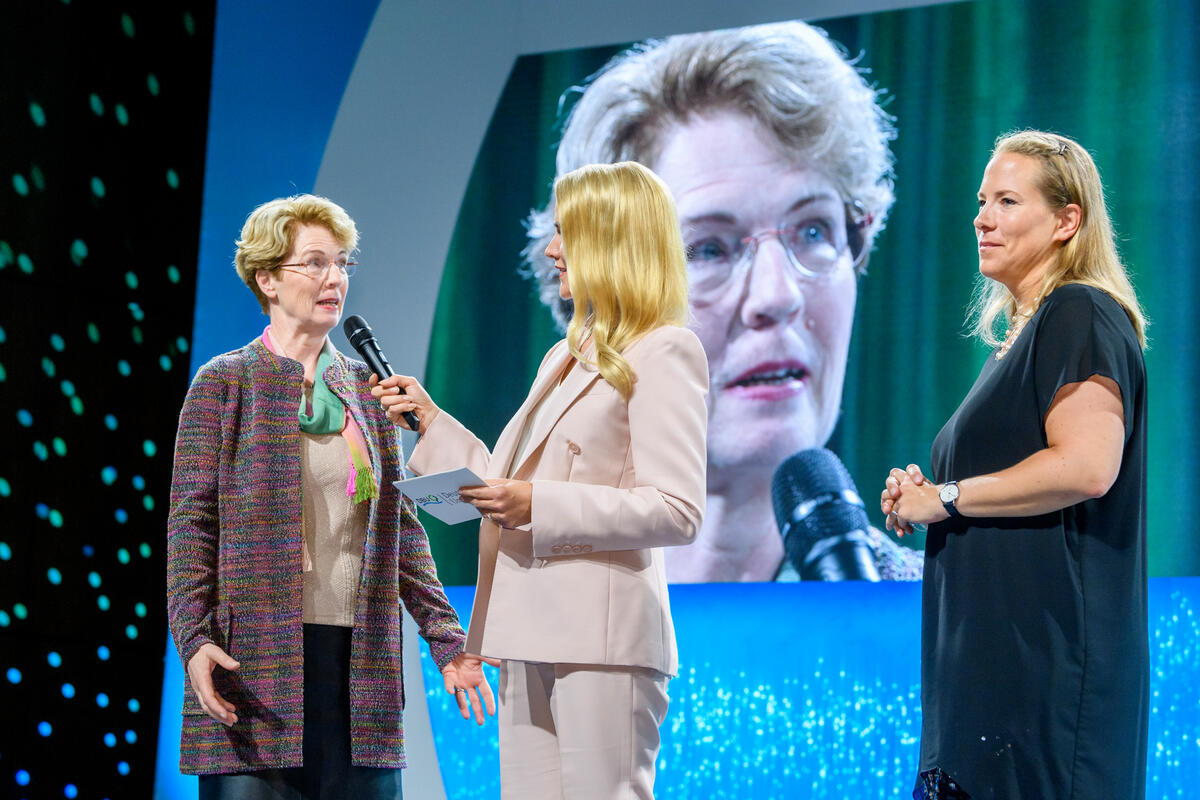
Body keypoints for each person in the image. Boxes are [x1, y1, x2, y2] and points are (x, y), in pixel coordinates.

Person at [522, 21, 920, 582]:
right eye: (707, 248)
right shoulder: (503, 634)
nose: (777, 296)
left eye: (812, 231)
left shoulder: (946, 620)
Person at [373, 161, 707, 798]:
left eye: (565, 231)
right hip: (528, 629)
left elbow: (676, 509)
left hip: (602, 639)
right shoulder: (565, 353)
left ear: (611, 240)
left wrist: (539, 503)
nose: (551, 248)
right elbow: (504, 486)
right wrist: (432, 423)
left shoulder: (666, 349)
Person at [166, 194, 494, 798]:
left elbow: (403, 532)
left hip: (358, 665)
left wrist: (448, 640)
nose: (334, 278)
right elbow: (191, 529)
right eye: (314, 263)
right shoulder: (223, 384)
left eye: (342, 263)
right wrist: (194, 639)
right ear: (266, 277)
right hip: (254, 666)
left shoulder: (370, 393)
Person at [880, 131, 1149, 799]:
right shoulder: (1022, 337)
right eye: (981, 201)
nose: (982, 217)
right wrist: (924, 494)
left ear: (1066, 220)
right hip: (986, 681)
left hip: (1043, 687)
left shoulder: (1079, 311)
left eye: (1006, 200)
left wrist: (944, 496)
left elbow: (1087, 467)